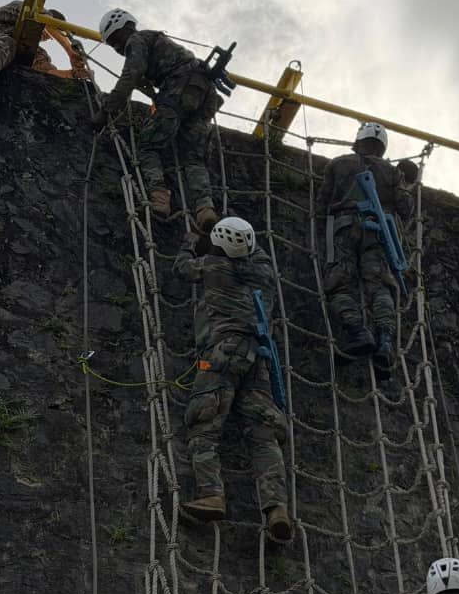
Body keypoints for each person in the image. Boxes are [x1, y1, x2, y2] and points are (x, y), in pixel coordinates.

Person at [175, 215, 291, 541]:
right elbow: (256, 251)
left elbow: (182, 268)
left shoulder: (213, 266)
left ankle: (212, 493)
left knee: (204, 422)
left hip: (221, 353)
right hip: (258, 358)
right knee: (263, 433)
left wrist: (191, 241)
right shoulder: (265, 272)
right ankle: (277, 509)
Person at [94, 8, 221, 231]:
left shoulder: (136, 40)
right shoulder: (157, 41)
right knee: (193, 156)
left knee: (148, 145)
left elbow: (130, 75)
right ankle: (205, 209)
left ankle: (160, 198)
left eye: (114, 41)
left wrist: (106, 111)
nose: (117, 48)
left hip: (179, 90)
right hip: (204, 92)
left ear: (124, 28)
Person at [315, 122, 414, 371]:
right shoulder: (392, 172)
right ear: (383, 147)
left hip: (344, 227)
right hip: (379, 232)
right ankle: (384, 342)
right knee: (380, 286)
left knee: (338, 284)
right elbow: (405, 208)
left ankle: (358, 332)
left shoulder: (338, 164)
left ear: (358, 141)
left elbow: (321, 205)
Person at [0, 1, 86, 89]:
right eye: (55, 33)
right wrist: (71, 53)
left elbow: (47, 72)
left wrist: (74, 74)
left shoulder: (33, 50)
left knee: (9, 43)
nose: (48, 38)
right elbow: (43, 20)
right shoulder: (23, 8)